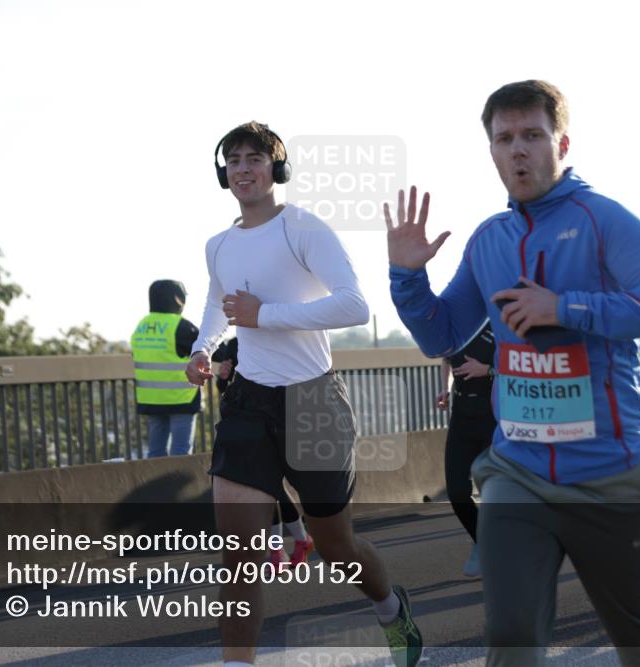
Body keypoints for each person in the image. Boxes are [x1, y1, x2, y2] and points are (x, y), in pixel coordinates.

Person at [387, 80, 640, 666]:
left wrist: (565, 308)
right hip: (518, 472)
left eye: (532, 135)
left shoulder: (603, 219)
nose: (518, 150)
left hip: (610, 474)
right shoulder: (489, 238)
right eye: (504, 138)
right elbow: (441, 335)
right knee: (509, 634)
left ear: (561, 143)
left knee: (639, 641)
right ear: (491, 150)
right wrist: (407, 278)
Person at [186, 121, 422, 667]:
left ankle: (390, 608)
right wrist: (202, 348)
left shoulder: (303, 228)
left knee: (337, 549)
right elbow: (217, 305)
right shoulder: (218, 245)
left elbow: (353, 305)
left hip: (314, 401)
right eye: (234, 161)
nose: (243, 169)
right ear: (223, 173)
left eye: (254, 159)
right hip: (249, 402)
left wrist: (265, 315)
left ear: (277, 168)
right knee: (238, 556)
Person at [212, 337, 316, 568]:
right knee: (270, 486)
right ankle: (292, 543)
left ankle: (287, 545)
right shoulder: (235, 344)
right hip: (247, 425)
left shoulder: (285, 339)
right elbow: (225, 389)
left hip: (284, 420)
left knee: (271, 486)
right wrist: (223, 377)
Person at [435, 321, 497, 577]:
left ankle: (498, 545)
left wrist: (488, 370)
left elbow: (518, 367)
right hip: (461, 416)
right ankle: (482, 540)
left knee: (495, 491)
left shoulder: (498, 322)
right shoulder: (456, 324)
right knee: (457, 492)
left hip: (494, 415)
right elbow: (446, 359)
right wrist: (443, 388)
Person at [131, 279, 200, 458]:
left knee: (155, 453)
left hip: (152, 399)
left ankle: (155, 478)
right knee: (180, 454)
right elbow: (209, 349)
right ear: (179, 300)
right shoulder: (181, 326)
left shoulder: (142, 326)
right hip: (181, 399)